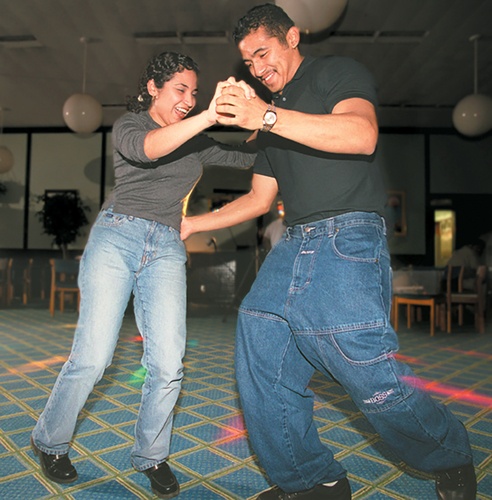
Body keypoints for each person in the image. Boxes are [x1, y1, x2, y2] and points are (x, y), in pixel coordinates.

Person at [180, 5, 476, 500]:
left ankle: (450, 453)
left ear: (292, 37)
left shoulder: (336, 73)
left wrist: (265, 115)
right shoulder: (271, 120)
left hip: (348, 236)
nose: (256, 68)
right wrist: (189, 224)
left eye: (262, 52)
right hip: (293, 243)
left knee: (364, 369)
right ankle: (312, 480)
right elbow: (258, 199)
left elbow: (362, 136)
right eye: (247, 62)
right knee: (259, 339)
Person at [30, 51, 256, 499]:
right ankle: (49, 440)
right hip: (117, 238)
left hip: (167, 247)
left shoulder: (195, 139)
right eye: (180, 90)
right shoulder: (129, 126)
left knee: (169, 362)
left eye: (194, 93)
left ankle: (152, 455)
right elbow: (148, 150)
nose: (189, 100)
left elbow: (247, 158)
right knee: (93, 357)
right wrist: (210, 115)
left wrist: (258, 114)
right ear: (153, 88)